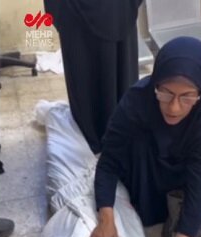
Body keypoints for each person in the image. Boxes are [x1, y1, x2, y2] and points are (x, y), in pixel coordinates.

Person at [82, 37, 201, 237]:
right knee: (137, 149)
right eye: (165, 93)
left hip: (196, 164)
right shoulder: (137, 100)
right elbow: (109, 161)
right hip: (151, 163)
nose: (173, 107)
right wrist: (106, 217)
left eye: (187, 97)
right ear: (155, 84)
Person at [43, 0, 143, 154]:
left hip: (81, 15)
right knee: (119, 70)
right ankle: (120, 130)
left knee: (85, 74)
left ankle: (94, 132)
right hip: (116, 9)